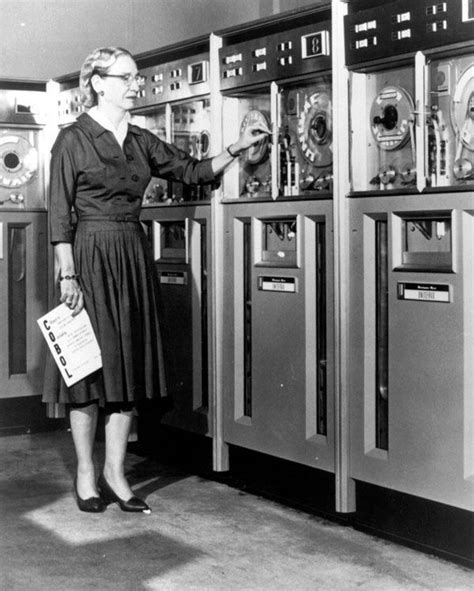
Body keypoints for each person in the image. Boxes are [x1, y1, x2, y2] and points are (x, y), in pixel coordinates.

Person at [43, 46, 270, 513]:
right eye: (126, 78)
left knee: (128, 369)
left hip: (130, 254)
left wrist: (238, 147)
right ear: (99, 83)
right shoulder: (72, 140)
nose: (135, 85)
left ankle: (115, 472)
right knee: (87, 371)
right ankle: (87, 473)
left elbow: (192, 171)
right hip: (87, 258)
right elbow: (59, 212)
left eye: (136, 78)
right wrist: (68, 272)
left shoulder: (141, 140)